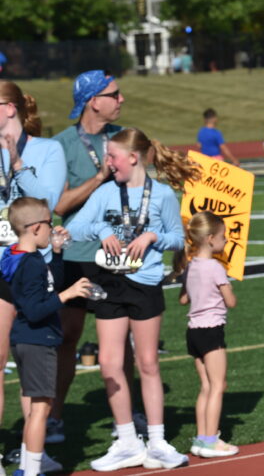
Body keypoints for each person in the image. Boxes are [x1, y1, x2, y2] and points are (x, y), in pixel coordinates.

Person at [67, 127, 199, 470]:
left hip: (145, 283)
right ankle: (127, 441)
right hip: (109, 283)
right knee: (110, 364)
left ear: (133, 158)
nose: (108, 163)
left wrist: (153, 235)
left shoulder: (163, 195)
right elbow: (75, 228)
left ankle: (157, 441)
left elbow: (177, 239)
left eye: (112, 156)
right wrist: (103, 230)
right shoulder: (105, 192)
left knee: (147, 363)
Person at [51, 70, 128, 444]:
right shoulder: (62, 145)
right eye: (115, 94)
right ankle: (54, 416)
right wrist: (100, 177)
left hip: (118, 255)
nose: (121, 100)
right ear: (93, 100)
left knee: (120, 340)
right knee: (67, 338)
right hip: (76, 255)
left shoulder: (123, 137)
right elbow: (60, 204)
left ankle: (128, 420)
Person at [0, 81, 68, 456]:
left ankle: (31, 457)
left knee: (29, 374)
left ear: (10, 108)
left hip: (30, 270)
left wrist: (16, 164)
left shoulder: (48, 149)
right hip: (0, 266)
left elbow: (47, 202)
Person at [0, 198, 92, 476]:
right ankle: (31, 470)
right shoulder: (30, 264)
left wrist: (57, 252)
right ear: (37, 227)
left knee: (36, 408)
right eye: (50, 225)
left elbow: (49, 284)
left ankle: (29, 467)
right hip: (37, 340)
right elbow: (35, 308)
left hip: (27, 339)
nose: (53, 229)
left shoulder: (21, 258)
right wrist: (68, 295)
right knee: (41, 410)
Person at [176, 211, 239, 458]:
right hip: (212, 330)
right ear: (211, 238)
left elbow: (183, 299)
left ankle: (201, 439)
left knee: (205, 385)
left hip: (193, 331)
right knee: (218, 385)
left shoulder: (191, 265)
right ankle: (211, 440)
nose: (225, 241)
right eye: (223, 236)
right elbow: (230, 301)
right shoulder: (215, 267)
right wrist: (228, 285)